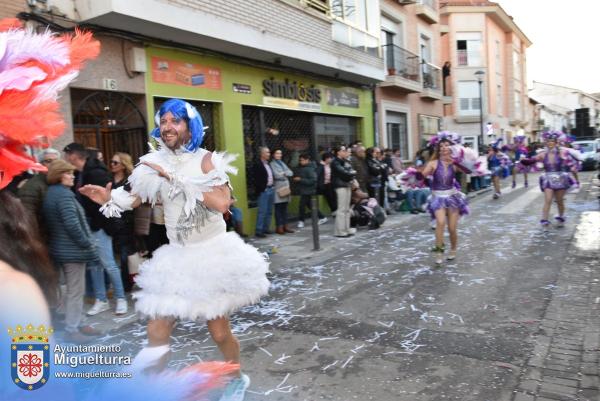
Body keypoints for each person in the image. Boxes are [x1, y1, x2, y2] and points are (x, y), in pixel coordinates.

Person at [80, 98, 269, 399]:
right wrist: (108, 199)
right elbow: (135, 198)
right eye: (163, 121)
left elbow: (221, 203)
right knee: (157, 331)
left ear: (189, 126)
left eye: (174, 121)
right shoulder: (151, 163)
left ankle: (235, 377)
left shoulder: (206, 160)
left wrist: (171, 176)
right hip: (176, 257)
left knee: (219, 332)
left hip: (212, 255)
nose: (167, 126)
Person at [63, 142, 128, 315]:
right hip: (87, 226)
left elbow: (107, 201)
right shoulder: (79, 174)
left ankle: (121, 298)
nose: (65, 160)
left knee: (108, 263)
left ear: (73, 156)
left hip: (99, 226)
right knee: (93, 265)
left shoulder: (96, 173)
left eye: (66, 156)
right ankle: (101, 299)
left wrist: (99, 224)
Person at [43, 160, 101, 343]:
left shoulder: (52, 193)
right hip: (72, 250)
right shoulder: (64, 196)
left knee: (69, 290)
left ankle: (79, 322)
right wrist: (87, 243)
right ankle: (72, 329)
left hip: (61, 248)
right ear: (59, 175)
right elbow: (72, 224)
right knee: (76, 291)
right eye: (68, 173)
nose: (73, 176)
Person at [422, 132, 469, 265]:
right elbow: (422, 176)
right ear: (438, 149)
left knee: (452, 228)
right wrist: (416, 175)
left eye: (446, 145)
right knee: (440, 223)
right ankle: (439, 251)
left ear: (451, 148)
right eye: (441, 146)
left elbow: (468, 171)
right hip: (438, 198)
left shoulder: (454, 163)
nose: (443, 147)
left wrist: (455, 162)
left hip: (452, 197)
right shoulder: (433, 163)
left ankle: (453, 249)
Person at [522, 131, 575, 229]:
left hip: (560, 178)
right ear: (546, 143)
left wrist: (571, 164)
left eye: (552, 141)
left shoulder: (561, 152)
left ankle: (561, 216)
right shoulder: (543, 154)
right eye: (548, 141)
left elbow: (570, 161)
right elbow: (532, 160)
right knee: (548, 199)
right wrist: (524, 161)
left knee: (559, 201)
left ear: (556, 142)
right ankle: (544, 219)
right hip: (548, 179)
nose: (550, 143)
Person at [17, 148, 60, 238]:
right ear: (41, 164)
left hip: (59, 237)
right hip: (44, 237)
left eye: (56, 161)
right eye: (48, 161)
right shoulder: (32, 185)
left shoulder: (61, 181)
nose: (53, 164)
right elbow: (28, 216)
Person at [110, 152, 136, 292]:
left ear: (123, 165)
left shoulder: (129, 180)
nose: (112, 165)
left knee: (125, 253)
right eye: (112, 162)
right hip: (111, 219)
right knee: (115, 253)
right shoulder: (109, 179)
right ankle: (119, 282)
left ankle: (126, 283)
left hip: (125, 220)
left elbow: (132, 201)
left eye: (115, 163)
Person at [294, 153, 327, 228]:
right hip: (305, 190)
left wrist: (300, 180)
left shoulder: (310, 169)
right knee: (311, 206)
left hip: (308, 190)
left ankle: (301, 221)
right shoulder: (305, 167)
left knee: (302, 206)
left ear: (307, 160)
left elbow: (313, 180)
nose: (300, 162)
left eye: (302, 160)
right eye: (300, 160)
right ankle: (322, 217)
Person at [331, 145, 357, 237]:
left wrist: (351, 173)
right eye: (343, 150)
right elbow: (344, 172)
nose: (345, 152)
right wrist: (351, 173)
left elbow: (351, 171)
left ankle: (346, 228)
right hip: (340, 186)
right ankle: (340, 231)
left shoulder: (345, 161)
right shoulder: (335, 162)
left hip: (347, 184)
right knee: (342, 209)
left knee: (347, 209)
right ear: (338, 152)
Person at [269, 149, 294, 234]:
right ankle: (279, 227)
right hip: (278, 188)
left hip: (285, 188)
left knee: (285, 208)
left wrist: (283, 173)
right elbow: (276, 175)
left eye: (280, 153)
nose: (279, 155)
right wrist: (284, 173)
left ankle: (285, 226)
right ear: (273, 155)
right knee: (278, 208)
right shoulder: (272, 164)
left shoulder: (282, 163)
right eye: (277, 153)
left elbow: (291, 173)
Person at [253, 146, 275, 238]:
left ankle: (266, 228)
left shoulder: (268, 164)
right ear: (262, 154)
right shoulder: (258, 165)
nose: (269, 154)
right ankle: (259, 230)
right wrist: (263, 188)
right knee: (262, 211)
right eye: (267, 152)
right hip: (264, 191)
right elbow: (256, 179)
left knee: (269, 211)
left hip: (271, 189)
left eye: (269, 152)